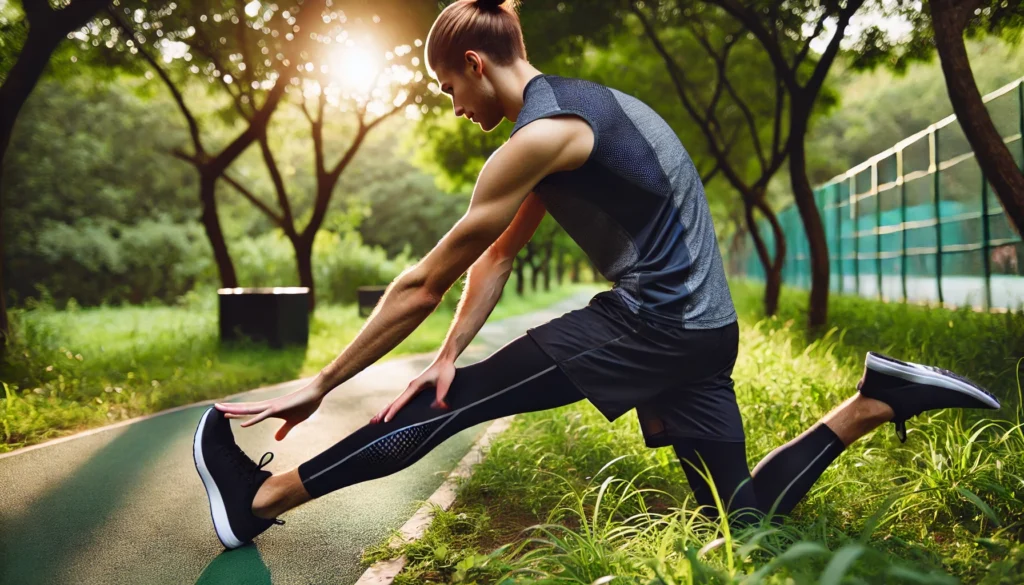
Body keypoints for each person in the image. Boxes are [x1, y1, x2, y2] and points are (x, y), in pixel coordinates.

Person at [193, 0, 1001, 550]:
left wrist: (324, 381)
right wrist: (444, 354)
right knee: (741, 522)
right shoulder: (582, 110)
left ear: (475, 63)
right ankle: (873, 402)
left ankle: (253, 504)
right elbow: (498, 255)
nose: (452, 106)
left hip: (652, 323)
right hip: (702, 331)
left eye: (448, 88)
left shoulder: (542, 138)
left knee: (453, 408)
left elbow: (424, 279)